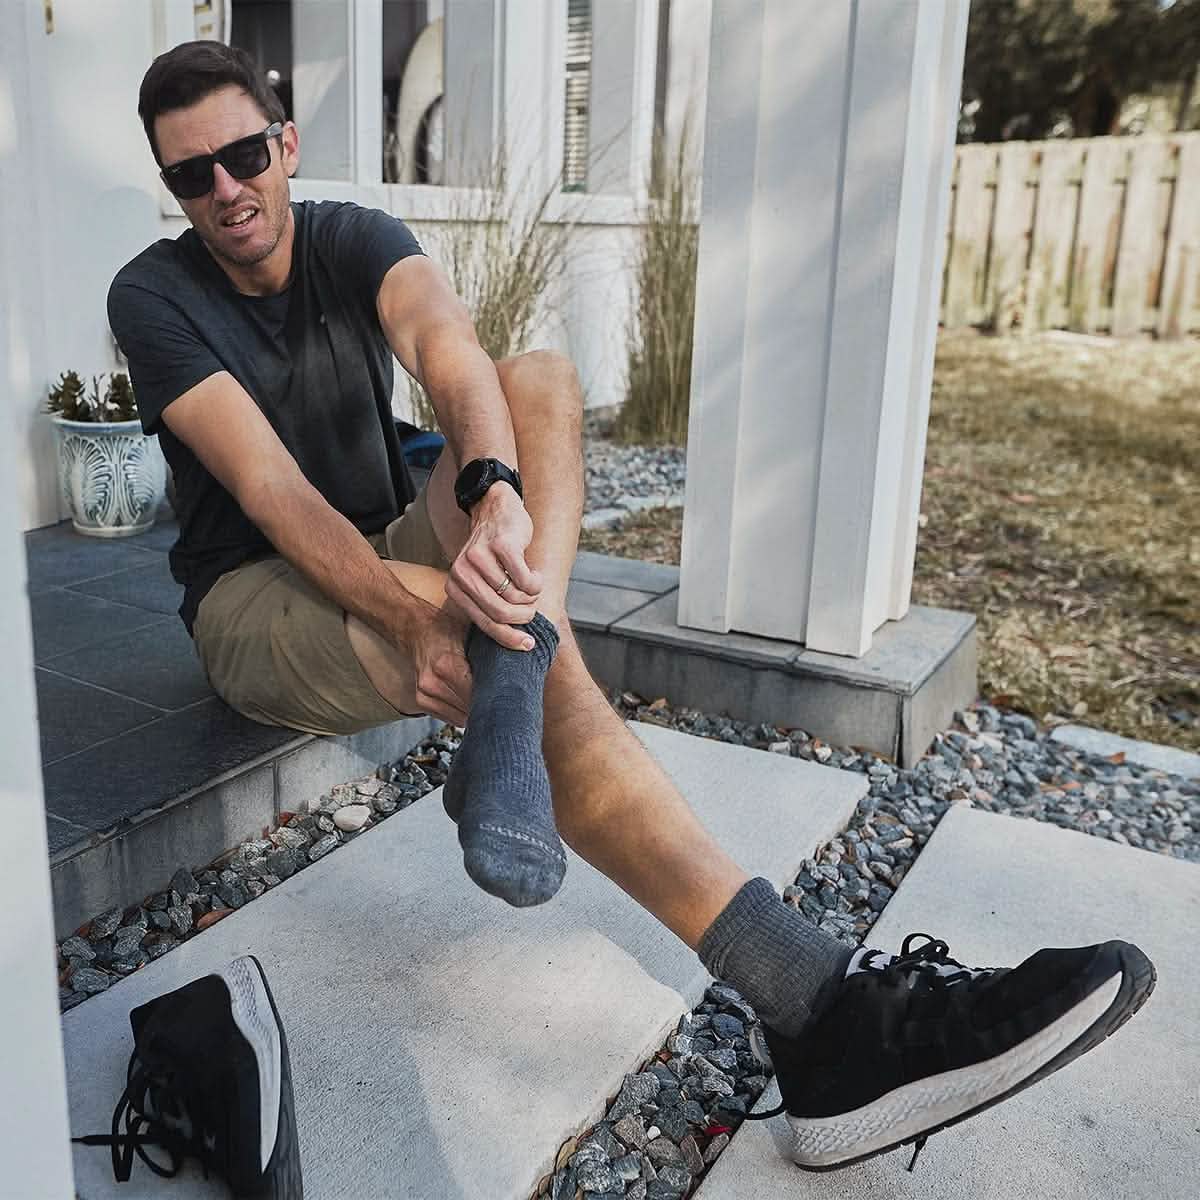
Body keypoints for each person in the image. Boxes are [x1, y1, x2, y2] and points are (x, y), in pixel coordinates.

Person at [101, 38, 1155, 1192]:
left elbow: (452, 350)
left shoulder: (347, 235)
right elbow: (272, 493)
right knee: (501, 635)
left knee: (539, 377)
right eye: (191, 176)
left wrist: (491, 491)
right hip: (259, 595)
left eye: (243, 155)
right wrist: (417, 620)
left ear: (283, 145)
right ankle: (819, 1009)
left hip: (386, 529)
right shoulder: (151, 294)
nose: (225, 191)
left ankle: (515, 700)